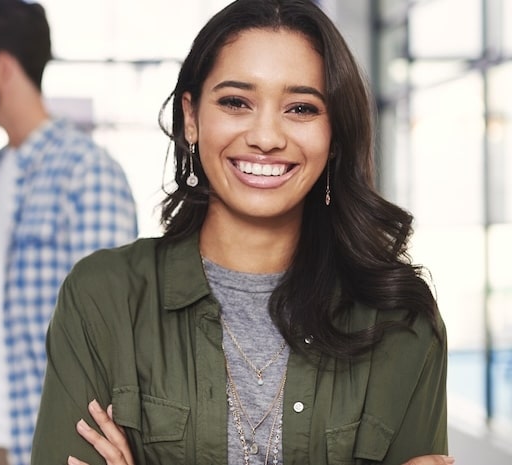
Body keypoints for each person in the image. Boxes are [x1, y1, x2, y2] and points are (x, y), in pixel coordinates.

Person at [30, 1, 449, 465]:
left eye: (301, 107)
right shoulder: (102, 298)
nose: (266, 136)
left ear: (335, 135)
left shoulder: (401, 321)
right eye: (235, 102)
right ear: (191, 117)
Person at [0, 1, 138, 465]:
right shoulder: (2, 166)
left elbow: (106, 337)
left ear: (3, 67)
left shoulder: (86, 171)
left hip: (39, 440)